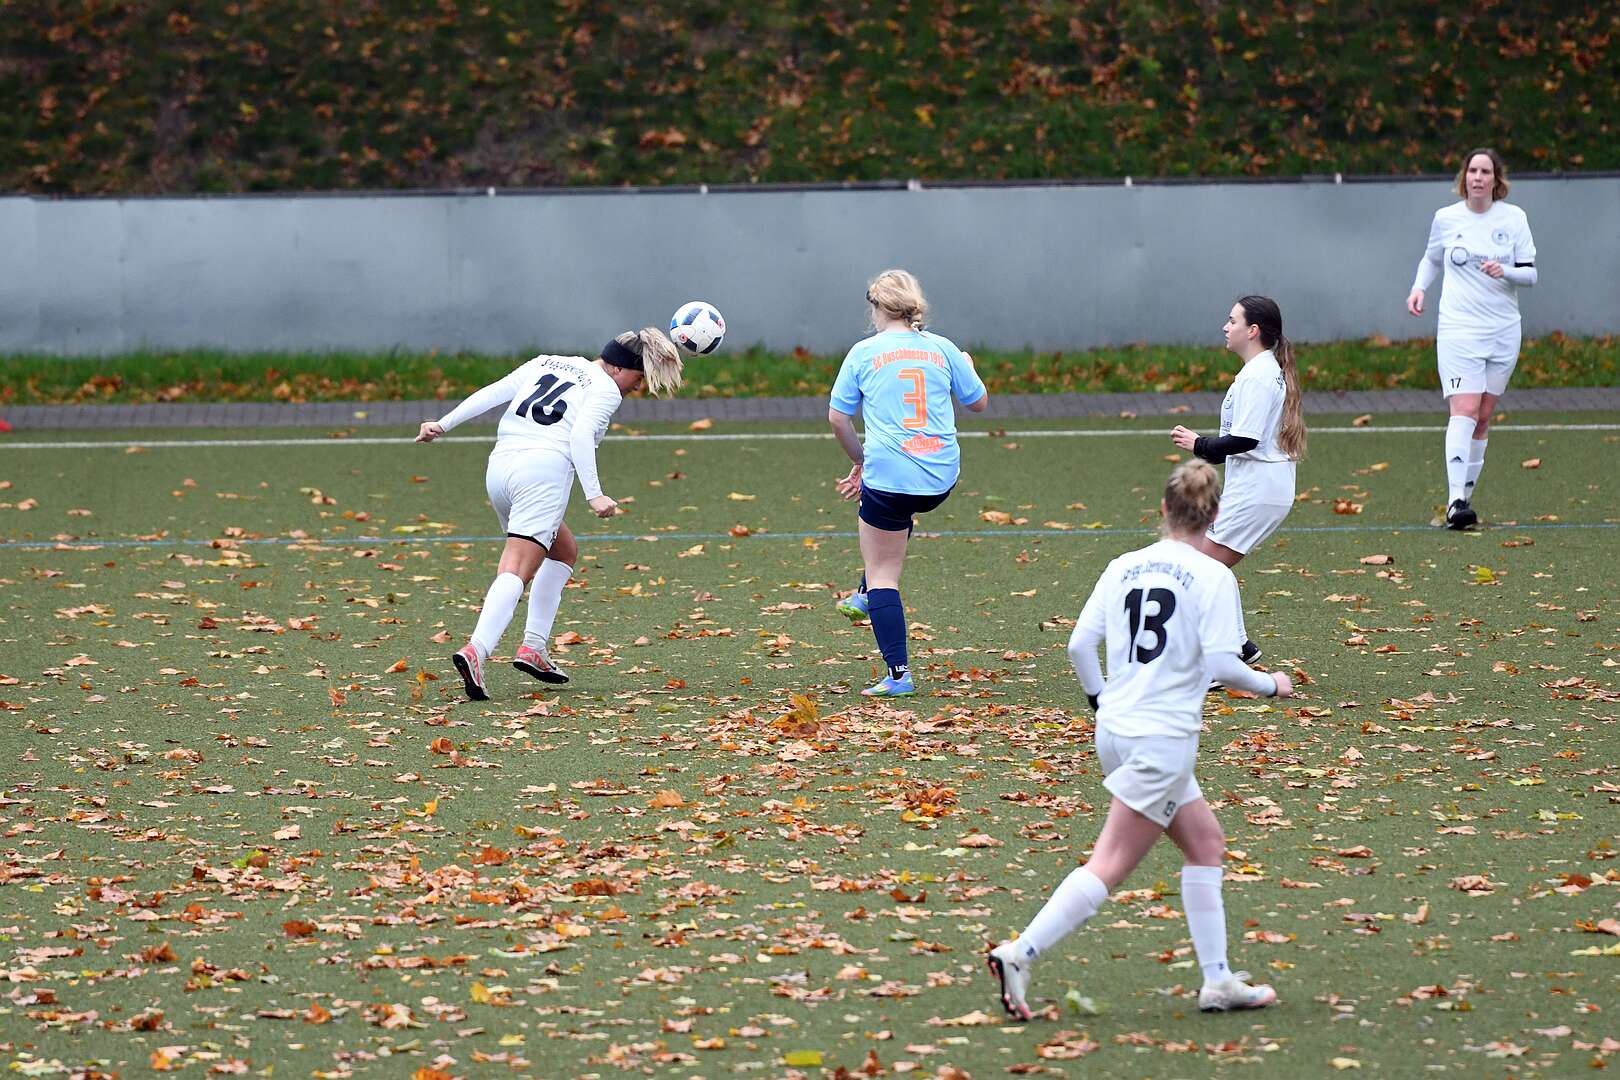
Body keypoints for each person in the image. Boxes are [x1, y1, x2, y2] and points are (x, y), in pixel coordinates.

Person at [987, 460, 1294, 1021]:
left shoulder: (1123, 566)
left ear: (1164, 510)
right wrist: (1271, 685)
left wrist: (1102, 703)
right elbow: (1225, 665)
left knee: (1205, 844)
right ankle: (1019, 953)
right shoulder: (1214, 576)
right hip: (1161, 740)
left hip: (1116, 731)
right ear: (1215, 516)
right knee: (1109, 863)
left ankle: (1218, 981)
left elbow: (1079, 646)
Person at [416, 330, 684, 700]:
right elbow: (580, 436)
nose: (638, 387)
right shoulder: (605, 389)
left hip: (500, 469)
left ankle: (534, 648)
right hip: (541, 474)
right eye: (638, 378)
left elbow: (494, 392)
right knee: (517, 566)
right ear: (619, 369)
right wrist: (595, 494)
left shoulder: (548, 362)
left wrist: (443, 423)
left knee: (563, 550)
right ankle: (477, 650)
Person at [827, 269, 988, 697]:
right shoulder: (943, 347)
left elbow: (838, 420)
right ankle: (863, 595)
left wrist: (859, 462)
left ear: (876, 307)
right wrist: (968, 367)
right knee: (898, 515)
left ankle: (898, 674)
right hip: (940, 478)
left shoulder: (863, 353)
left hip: (890, 479)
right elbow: (978, 403)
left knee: (883, 571)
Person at [1169, 295, 1305, 666]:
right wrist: (1206, 448)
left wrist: (1200, 445)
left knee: (1196, 569)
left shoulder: (1259, 376)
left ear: (1253, 330)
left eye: (1232, 321)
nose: (1225, 327)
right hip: (1260, 488)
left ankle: (1224, 657)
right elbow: (1244, 439)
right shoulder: (1259, 371)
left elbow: (1246, 440)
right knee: (1207, 568)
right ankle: (1240, 647)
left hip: (1258, 490)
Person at [1406, 147, 1537, 529]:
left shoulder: (1514, 218)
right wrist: (1419, 288)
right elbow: (1432, 258)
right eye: (1472, 171)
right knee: (1463, 410)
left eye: (1485, 171)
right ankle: (1455, 502)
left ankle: (1465, 498)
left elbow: (1531, 274)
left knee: (1482, 417)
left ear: (1497, 179)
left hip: (1503, 330)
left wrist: (1506, 271)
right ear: (1464, 177)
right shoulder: (1446, 218)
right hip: (1459, 329)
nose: (1478, 177)